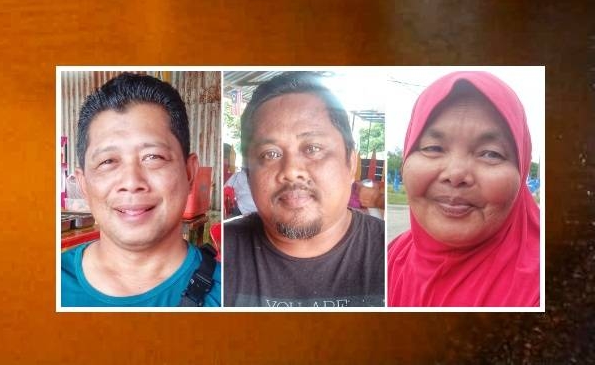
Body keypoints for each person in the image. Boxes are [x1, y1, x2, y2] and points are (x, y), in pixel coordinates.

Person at [224, 72, 385, 307]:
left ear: (351, 163)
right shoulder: (218, 261)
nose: (291, 170)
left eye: (313, 148)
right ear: (248, 174)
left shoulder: (393, 259)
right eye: (270, 154)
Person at [61, 73, 221, 307]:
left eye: (153, 157)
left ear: (189, 173)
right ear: (83, 183)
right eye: (108, 161)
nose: (132, 181)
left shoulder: (232, 294)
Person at [387, 71, 540, 307]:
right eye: (433, 148)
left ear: (522, 169)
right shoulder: (390, 259)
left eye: (491, 153)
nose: (456, 174)